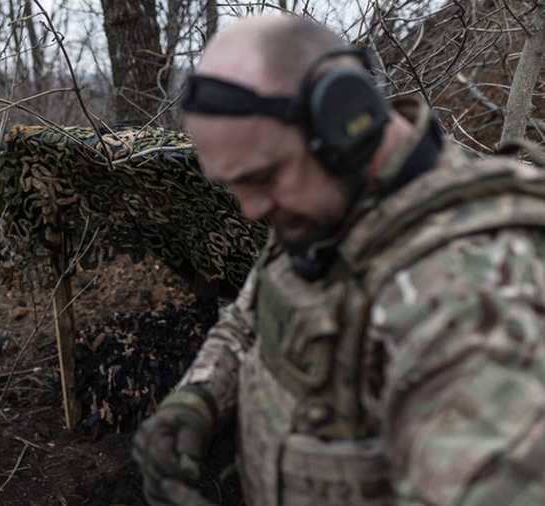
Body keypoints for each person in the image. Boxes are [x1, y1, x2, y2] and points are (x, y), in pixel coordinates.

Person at [133, 15, 545, 506]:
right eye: (235, 185)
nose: (250, 210)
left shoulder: (468, 302)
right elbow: (254, 313)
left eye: (262, 177)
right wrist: (196, 400)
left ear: (345, 122)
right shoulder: (325, 204)